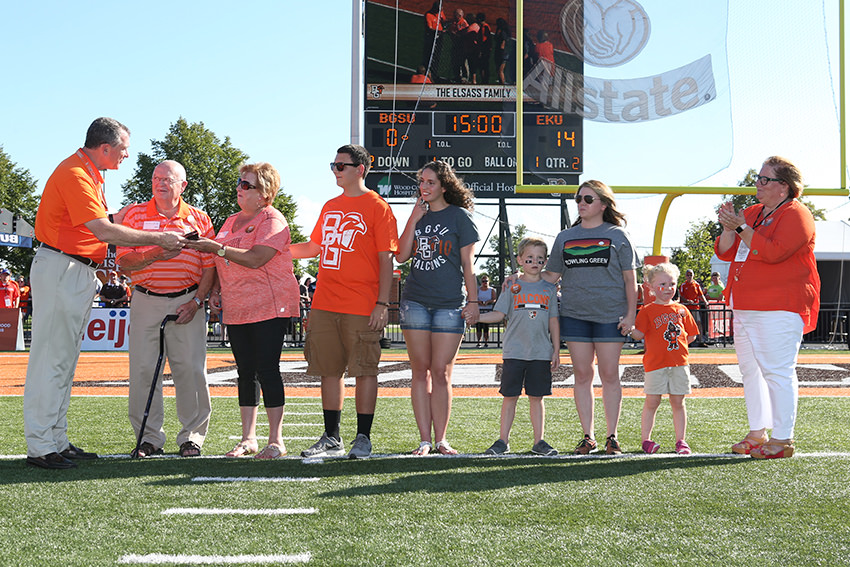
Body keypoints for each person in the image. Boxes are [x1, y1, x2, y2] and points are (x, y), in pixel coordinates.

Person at [23, 117, 185, 470]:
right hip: (62, 269)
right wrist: (159, 238)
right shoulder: (76, 174)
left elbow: (96, 233)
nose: (127, 155)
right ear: (105, 147)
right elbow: (102, 229)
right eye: (124, 148)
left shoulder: (88, 172)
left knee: (63, 361)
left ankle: (55, 439)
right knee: (52, 359)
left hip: (76, 269)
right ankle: (40, 445)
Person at [186, 162, 300, 459]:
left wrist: (215, 248)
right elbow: (222, 264)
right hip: (237, 307)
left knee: (267, 370)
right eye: (239, 182)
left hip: (268, 306)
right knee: (245, 372)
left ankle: (275, 440)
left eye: (247, 185)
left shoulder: (272, 218)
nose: (239, 188)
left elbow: (255, 259)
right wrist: (215, 291)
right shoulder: (230, 220)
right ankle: (248, 438)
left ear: (265, 193)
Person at [291, 144, 399, 459]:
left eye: (341, 166)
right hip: (325, 300)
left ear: (360, 169)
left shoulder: (378, 207)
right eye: (333, 165)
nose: (336, 171)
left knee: (364, 370)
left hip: (362, 303)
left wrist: (381, 303)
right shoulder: (329, 206)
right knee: (329, 370)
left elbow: (385, 259)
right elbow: (313, 247)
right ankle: (331, 436)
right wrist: (274, 249)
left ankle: (363, 437)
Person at [716, 156, 820, 459]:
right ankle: (757, 431)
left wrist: (741, 228)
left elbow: (774, 253)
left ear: (784, 186)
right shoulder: (752, 212)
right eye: (758, 179)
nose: (757, 184)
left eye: (765, 179)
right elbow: (725, 252)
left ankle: (783, 439)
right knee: (750, 371)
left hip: (779, 305)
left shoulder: (797, 214)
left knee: (777, 371)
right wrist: (728, 227)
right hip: (745, 304)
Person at [117, 160, 216, 458]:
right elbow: (124, 262)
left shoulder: (199, 218)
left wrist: (197, 301)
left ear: (182, 185)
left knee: (191, 371)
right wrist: (158, 252)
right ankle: (148, 438)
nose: (160, 183)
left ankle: (193, 437)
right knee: (145, 371)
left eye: (168, 179)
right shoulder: (133, 215)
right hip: (146, 300)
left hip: (189, 302)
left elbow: (209, 267)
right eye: (156, 178)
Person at [540, 180, 639, 455]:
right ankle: (588, 436)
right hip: (574, 315)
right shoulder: (564, 237)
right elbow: (551, 276)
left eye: (587, 198)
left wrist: (631, 315)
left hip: (611, 316)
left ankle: (612, 436)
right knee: (582, 374)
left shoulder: (619, 235)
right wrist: (523, 279)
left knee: (609, 374)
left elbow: (631, 280)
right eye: (578, 199)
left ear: (603, 204)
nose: (581, 203)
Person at [396, 160, 479, 456]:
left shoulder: (460, 217)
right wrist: (413, 218)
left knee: (441, 372)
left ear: (444, 186)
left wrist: (473, 301)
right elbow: (402, 256)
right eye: (421, 182)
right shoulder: (418, 215)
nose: (424, 187)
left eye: (430, 182)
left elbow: (468, 265)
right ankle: (424, 440)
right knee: (420, 371)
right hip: (415, 300)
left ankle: (441, 438)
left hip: (449, 304)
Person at [480, 238, 560, 456]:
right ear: (519, 260)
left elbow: (554, 320)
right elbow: (499, 314)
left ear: (545, 261)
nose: (535, 262)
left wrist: (555, 350)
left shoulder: (550, 289)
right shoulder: (511, 287)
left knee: (537, 397)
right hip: (514, 351)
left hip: (541, 352)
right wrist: (477, 317)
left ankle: (539, 442)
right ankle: (502, 441)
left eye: (540, 259)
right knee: (510, 397)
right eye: (530, 258)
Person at [629, 263, 699, 455]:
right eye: (662, 284)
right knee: (652, 401)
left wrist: (676, 347)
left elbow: (691, 335)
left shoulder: (682, 309)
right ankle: (646, 440)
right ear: (650, 287)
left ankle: (681, 441)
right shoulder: (647, 310)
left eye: (672, 283)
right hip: (655, 364)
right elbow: (638, 334)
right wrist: (627, 327)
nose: (668, 288)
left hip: (679, 364)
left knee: (678, 402)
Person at [678, 269, 708, 346]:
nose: (689, 276)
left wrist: (705, 302)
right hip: (686, 308)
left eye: (690, 275)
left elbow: (700, 295)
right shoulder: (683, 285)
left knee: (698, 323)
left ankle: (701, 340)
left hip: (695, 307)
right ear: (685, 276)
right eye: (687, 275)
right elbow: (681, 296)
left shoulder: (696, 284)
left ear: (693, 275)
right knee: (686, 324)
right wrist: (687, 301)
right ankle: (687, 341)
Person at [447, 8, 469, 83]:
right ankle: (457, 76)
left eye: (456, 15)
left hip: (462, 46)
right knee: (455, 61)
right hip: (455, 45)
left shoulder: (463, 23)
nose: (454, 16)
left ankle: (465, 77)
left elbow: (464, 35)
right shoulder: (454, 22)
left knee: (462, 62)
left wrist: (454, 34)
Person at [475, 274, 496, 347]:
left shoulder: (492, 290)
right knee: (478, 327)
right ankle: (479, 341)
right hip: (479, 310)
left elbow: (494, 299)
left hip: (488, 310)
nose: (485, 282)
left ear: (488, 281)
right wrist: (479, 302)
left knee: (486, 327)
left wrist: (488, 302)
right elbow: (474, 299)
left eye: (486, 281)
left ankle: (486, 342)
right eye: (483, 281)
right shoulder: (478, 289)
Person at [494, 18, 512, 85]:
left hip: (502, 53)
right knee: (500, 70)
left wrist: (501, 52)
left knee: (500, 70)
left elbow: (502, 43)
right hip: (504, 53)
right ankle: (501, 82)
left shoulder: (502, 32)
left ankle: (502, 83)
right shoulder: (505, 32)